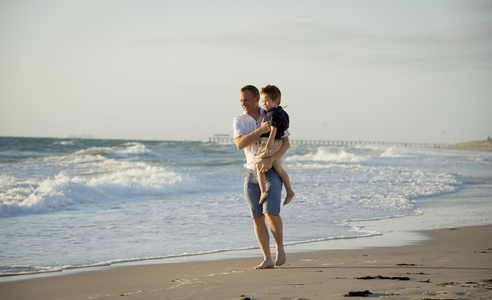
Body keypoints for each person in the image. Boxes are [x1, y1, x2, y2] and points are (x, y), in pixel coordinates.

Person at [233, 84, 290, 269]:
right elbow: (240, 144)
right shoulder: (239, 120)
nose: (243, 104)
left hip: (271, 171)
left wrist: (271, 159)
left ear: (257, 98)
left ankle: (280, 248)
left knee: (271, 213)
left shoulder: (272, 113)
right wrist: (259, 131)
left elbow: (286, 143)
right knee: (257, 217)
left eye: (246, 100)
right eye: (241, 101)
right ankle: (267, 259)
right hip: (251, 173)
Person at [256, 85, 295, 205]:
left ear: (276, 101)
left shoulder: (272, 114)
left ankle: (263, 191)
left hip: (270, 143)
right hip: (278, 144)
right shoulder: (281, 112)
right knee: (279, 168)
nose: (264, 105)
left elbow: (273, 129)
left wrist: (268, 144)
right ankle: (289, 191)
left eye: (266, 102)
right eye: (263, 102)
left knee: (259, 166)